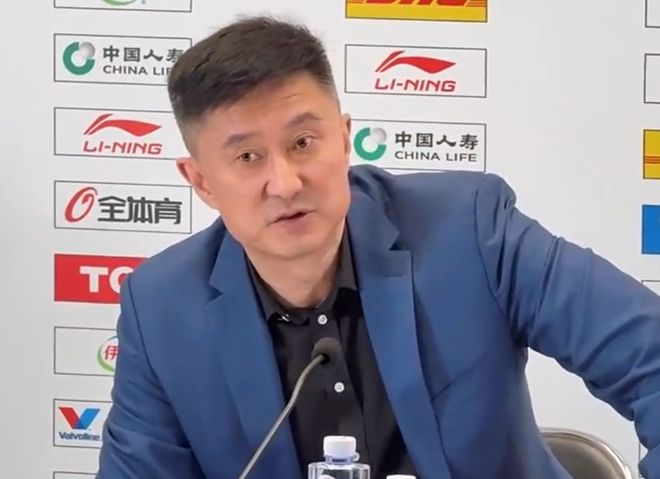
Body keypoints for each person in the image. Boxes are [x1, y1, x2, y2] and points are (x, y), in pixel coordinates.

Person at [97, 15, 660, 479]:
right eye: (247, 157)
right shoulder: (162, 308)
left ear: (344, 139)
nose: (285, 183)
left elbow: (649, 353)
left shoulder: (469, 232)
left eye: (303, 142)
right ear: (201, 181)